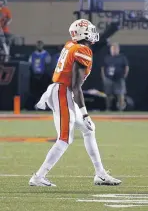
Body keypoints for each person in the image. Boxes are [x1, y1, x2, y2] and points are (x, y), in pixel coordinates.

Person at [29, 19, 121, 187]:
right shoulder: (82, 50)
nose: (93, 33)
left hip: (60, 89)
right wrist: (85, 113)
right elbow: (75, 86)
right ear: (83, 33)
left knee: (88, 129)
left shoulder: (71, 45)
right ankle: (38, 176)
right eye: (90, 30)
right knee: (64, 139)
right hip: (63, 92)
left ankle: (100, 174)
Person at [101, 43, 129, 111]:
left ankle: (121, 108)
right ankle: (108, 108)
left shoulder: (122, 57)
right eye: (112, 49)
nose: (114, 50)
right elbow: (103, 68)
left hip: (119, 78)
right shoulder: (107, 57)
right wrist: (104, 77)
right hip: (108, 78)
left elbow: (126, 67)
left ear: (118, 50)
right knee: (108, 94)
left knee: (120, 94)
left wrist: (124, 76)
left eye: (115, 49)